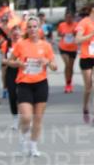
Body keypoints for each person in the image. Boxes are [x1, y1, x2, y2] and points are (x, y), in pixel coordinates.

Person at [7, 15, 58, 157]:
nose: (32, 29)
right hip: (24, 83)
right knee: (26, 117)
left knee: (38, 118)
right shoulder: (21, 44)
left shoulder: (46, 46)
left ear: (39, 28)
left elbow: (55, 66)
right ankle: (24, 137)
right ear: (27, 29)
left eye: (35, 26)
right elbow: (10, 61)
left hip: (41, 84)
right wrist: (17, 63)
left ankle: (33, 146)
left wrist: (47, 62)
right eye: (29, 27)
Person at [1, 23, 22, 129]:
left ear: (21, 34)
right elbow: (3, 60)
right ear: (10, 34)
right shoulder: (6, 44)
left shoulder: (25, 43)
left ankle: (25, 117)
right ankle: (15, 118)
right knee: (13, 95)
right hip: (11, 71)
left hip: (23, 71)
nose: (16, 36)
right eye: (14, 34)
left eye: (18, 34)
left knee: (23, 95)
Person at [56, 10, 79, 93]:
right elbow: (58, 34)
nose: (68, 19)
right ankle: (67, 84)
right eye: (67, 17)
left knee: (71, 67)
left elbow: (79, 34)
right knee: (67, 64)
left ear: (72, 18)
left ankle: (69, 83)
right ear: (65, 18)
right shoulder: (62, 25)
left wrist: (75, 34)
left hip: (73, 48)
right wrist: (62, 34)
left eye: (70, 17)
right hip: (63, 48)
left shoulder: (76, 25)